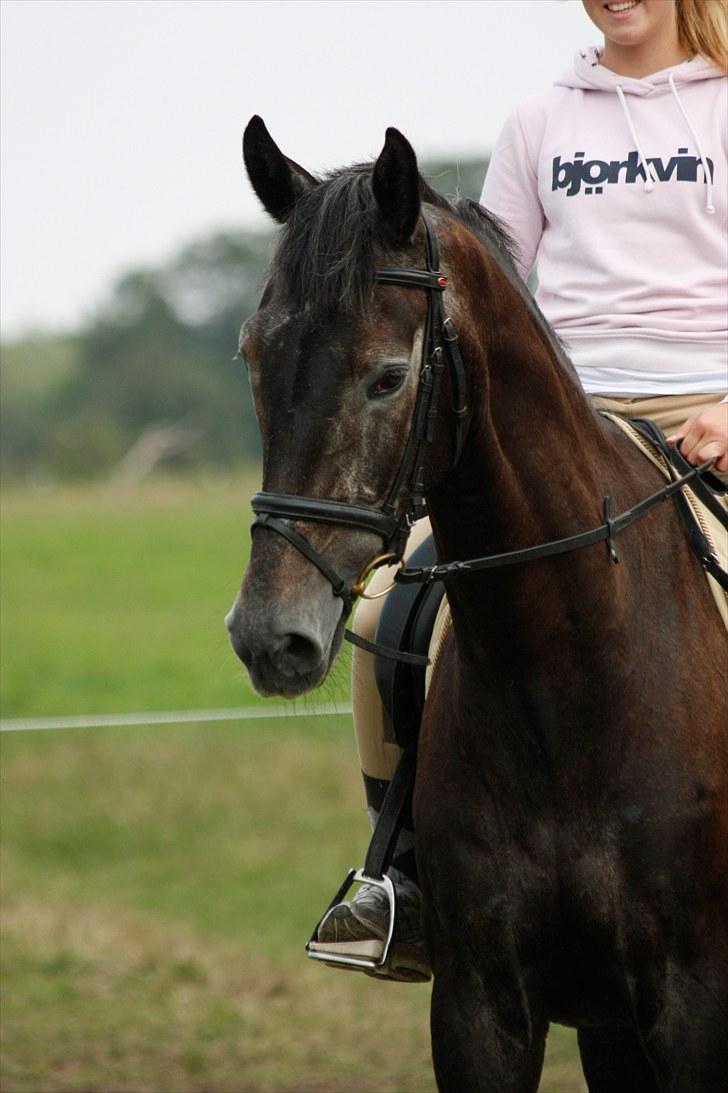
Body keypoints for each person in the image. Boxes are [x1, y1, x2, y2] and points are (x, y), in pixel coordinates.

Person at [315, 0, 728, 981]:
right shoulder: (541, 120)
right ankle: (399, 878)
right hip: (570, 420)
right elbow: (493, 289)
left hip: (711, 413)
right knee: (386, 608)